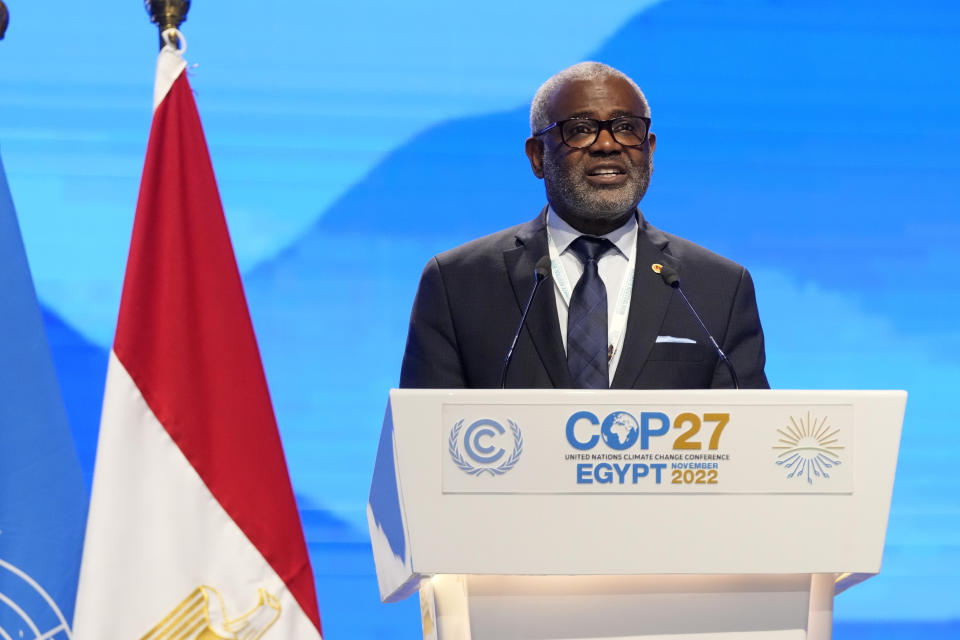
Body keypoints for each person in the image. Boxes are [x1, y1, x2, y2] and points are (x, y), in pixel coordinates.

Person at [399, 62, 768, 390]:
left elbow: (749, 443)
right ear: (537, 156)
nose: (607, 145)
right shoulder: (458, 282)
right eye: (580, 129)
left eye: (626, 128)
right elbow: (424, 441)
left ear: (650, 150)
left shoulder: (717, 287)